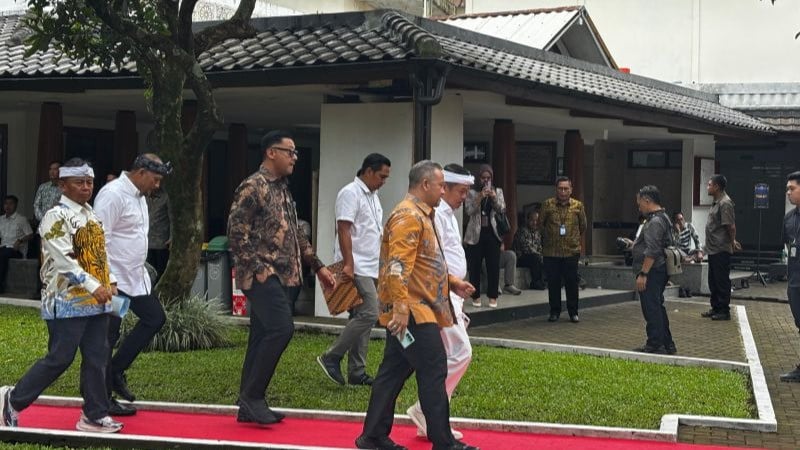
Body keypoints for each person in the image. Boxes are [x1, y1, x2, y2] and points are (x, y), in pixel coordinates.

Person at [356, 160, 478, 450]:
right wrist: (400, 309)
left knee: (393, 371)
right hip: (412, 311)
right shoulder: (409, 216)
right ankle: (443, 441)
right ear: (426, 185)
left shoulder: (422, 214)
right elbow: (397, 267)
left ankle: (372, 436)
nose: (443, 190)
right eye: (440, 185)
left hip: (414, 309)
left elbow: (425, 265)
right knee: (434, 368)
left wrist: (452, 282)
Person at [0, 158, 123, 433]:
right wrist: (96, 286)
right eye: (79, 183)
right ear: (62, 185)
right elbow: (64, 261)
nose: (86, 188)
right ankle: (13, 399)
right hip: (65, 301)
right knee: (60, 357)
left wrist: (110, 281)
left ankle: (94, 415)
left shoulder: (91, 215)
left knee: (98, 356)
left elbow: (101, 255)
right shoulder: (55, 216)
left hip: (97, 301)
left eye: (89, 182)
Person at [228, 130, 335, 425]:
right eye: (289, 152)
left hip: (287, 275)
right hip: (263, 274)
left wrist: (318, 265)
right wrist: (259, 270)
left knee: (262, 335)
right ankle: (253, 397)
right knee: (281, 329)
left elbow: (295, 233)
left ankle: (246, 402)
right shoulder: (253, 186)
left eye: (296, 152)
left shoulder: (283, 188)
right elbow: (236, 233)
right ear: (270, 153)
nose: (294, 157)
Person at [94, 154, 171, 417]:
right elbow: (98, 239)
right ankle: (102, 400)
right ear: (141, 172)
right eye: (156, 179)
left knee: (154, 318)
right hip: (115, 281)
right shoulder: (112, 194)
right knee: (108, 337)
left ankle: (116, 370)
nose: (157, 185)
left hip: (135, 279)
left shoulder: (139, 195)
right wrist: (107, 280)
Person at [406, 163, 474, 441]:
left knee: (442, 358)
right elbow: (431, 260)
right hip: (439, 295)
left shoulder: (447, 215)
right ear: (443, 188)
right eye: (461, 191)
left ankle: (433, 416)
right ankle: (426, 410)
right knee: (461, 352)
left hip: (452, 295)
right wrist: (452, 285)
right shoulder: (432, 215)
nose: (464, 198)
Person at [317, 153, 391, 386]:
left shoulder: (373, 195)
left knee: (363, 317)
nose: (383, 181)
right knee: (370, 313)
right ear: (368, 171)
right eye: (381, 176)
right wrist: (348, 263)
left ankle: (357, 372)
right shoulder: (350, 192)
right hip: (356, 265)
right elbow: (344, 229)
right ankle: (331, 356)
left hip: (371, 265)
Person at [630, 185, 676, 355]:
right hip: (659, 269)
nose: (639, 207)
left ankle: (655, 344)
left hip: (652, 271)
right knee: (657, 306)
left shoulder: (655, 222)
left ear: (647, 200)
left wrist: (643, 274)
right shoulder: (663, 217)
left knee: (651, 308)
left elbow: (653, 250)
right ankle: (667, 343)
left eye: (639, 203)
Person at [539, 176, 587, 323]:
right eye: (560, 188)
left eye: (566, 188)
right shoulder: (547, 204)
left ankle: (573, 312)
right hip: (551, 251)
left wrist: (573, 239)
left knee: (571, 282)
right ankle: (554, 311)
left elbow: (583, 226)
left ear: (571, 190)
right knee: (553, 282)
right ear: (556, 189)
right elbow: (541, 225)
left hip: (571, 251)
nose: (563, 191)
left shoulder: (578, 206)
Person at [696, 174, 741, 321]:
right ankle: (715, 307)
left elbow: (730, 226)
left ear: (716, 187)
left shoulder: (725, 203)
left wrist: (732, 242)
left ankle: (723, 310)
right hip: (713, 248)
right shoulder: (716, 202)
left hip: (721, 248)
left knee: (721, 281)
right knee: (713, 280)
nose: (707, 187)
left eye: (709, 185)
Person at [464, 164, 506, 308]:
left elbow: (502, 209)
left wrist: (493, 198)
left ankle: (493, 296)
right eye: (483, 178)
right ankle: (475, 296)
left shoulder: (498, 191)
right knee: (474, 266)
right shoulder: (471, 192)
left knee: (493, 266)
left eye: (488, 178)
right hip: (476, 234)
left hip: (492, 234)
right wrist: (480, 197)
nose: (486, 181)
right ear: (479, 178)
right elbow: (468, 211)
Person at [780, 171, 800, 382]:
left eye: (792, 188)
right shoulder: (789, 218)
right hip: (795, 280)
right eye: (787, 188)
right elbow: (788, 245)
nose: (788, 192)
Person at [0, 195, 34, 293]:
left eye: (11, 203)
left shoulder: (21, 219)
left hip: (16, 250)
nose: (8, 206)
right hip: (3, 248)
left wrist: (19, 241)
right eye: (6, 203)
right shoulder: (1, 219)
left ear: (15, 205)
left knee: (3, 255)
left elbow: (30, 235)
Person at [513, 210, 546, 290]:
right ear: (527, 220)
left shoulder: (537, 232)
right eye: (532, 220)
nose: (535, 223)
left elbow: (539, 247)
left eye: (536, 220)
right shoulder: (522, 231)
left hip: (534, 256)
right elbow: (526, 249)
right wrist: (541, 256)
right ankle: (535, 282)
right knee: (536, 258)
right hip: (521, 258)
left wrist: (544, 256)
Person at [146, 186, 170, 283]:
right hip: (146, 241)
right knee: (149, 271)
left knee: (160, 271)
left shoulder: (165, 197)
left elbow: (172, 218)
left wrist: (171, 237)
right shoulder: (144, 197)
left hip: (161, 241)